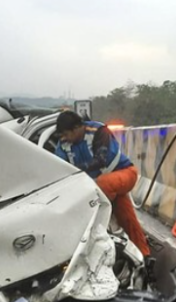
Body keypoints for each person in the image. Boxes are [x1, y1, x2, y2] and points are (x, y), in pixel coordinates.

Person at [54, 111, 156, 284]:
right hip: (106, 188)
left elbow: (100, 160)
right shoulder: (63, 144)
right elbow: (57, 167)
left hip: (124, 175)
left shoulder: (99, 132)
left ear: (78, 128)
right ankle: (146, 259)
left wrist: (77, 173)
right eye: (62, 135)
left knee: (98, 188)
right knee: (129, 221)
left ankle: (102, 230)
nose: (65, 138)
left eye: (67, 134)